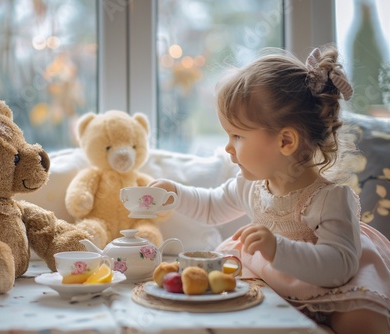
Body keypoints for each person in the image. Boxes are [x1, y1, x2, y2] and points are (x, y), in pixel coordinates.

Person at [149, 46, 390, 334]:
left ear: (286, 141)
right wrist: (175, 192)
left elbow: (339, 267)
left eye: (237, 135)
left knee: (363, 321)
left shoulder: (330, 198)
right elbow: (212, 207)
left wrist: (277, 248)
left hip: (337, 285)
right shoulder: (250, 185)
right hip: (277, 281)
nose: (228, 147)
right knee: (237, 302)